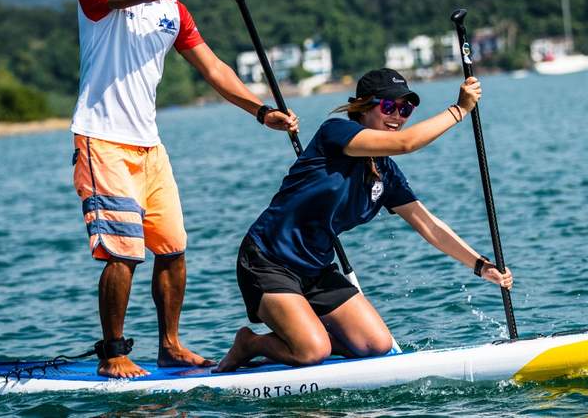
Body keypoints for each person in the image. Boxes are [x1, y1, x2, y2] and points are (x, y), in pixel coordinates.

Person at [72, 0, 299, 378]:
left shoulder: (173, 12)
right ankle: (113, 353)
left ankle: (170, 346)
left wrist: (261, 112)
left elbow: (214, 69)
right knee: (123, 253)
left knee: (172, 249)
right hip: (102, 139)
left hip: (150, 145)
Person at [216, 68, 513, 372]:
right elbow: (406, 143)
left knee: (375, 345)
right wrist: (460, 109)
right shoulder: (335, 133)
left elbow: (428, 225)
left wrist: (480, 265)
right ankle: (251, 343)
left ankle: (298, 339)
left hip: (315, 268)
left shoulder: (386, 174)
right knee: (313, 351)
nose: (397, 116)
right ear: (363, 107)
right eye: (389, 106)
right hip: (268, 260)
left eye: (405, 109)